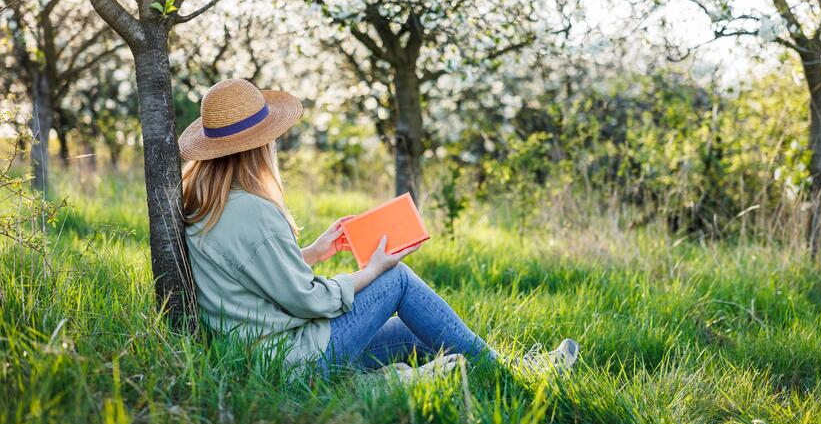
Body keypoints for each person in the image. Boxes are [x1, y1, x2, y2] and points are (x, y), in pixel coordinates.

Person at [178, 78, 579, 379]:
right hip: (295, 361)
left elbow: (250, 274)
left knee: (416, 328)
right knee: (398, 279)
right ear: (260, 144)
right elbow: (307, 300)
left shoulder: (206, 205)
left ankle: (497, 368)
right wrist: (372, 270)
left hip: (262, 358)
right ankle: (515, 374)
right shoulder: (253, 210)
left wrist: (314, 253)